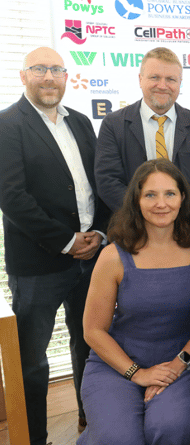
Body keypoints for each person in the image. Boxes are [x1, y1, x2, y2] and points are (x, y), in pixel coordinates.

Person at [0, 47, 109, 444]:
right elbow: (11, 197)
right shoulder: (7, 125)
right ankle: (33, 436)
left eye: (56, 70)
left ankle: (90, 419)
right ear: (23, 75)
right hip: (38, 265)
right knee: (31, 361)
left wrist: (98, 233)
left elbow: (99, 185)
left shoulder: (81, 122)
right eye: (40, 69)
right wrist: (66, 242)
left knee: (90, 344)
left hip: (90, 258)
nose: (49, 77)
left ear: (66, 77)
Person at [78, 159, 190, 445]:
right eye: (150, 195)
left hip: (182, 364)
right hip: (116, 365)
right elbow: (93, 330)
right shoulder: (113, 256)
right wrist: (137, 373)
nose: (161, 203)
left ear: (182, 198)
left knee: (168, 427)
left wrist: (179, 365)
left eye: (170, 194)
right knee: (118, 438)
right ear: (136, 201)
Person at [95, 47, 190, 219]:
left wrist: (177, 218)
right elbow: (108, 181)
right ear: (140, 79)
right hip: (133, 230)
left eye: (170, 79)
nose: (162, 86)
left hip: (188, 229)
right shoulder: (113, 124)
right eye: (154, 77)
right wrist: (145, 217)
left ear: (179, 83)